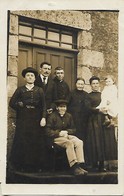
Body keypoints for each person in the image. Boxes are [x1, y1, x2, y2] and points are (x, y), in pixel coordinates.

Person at [9, 67, 46, 172]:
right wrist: (19, 105)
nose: (30, 77)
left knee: (34, 141)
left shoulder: (39, 90)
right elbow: (11, 103)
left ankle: (34, 166)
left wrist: (43, 118)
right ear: (25, 78)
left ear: (35, 78)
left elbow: (44, 105)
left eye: (32, 76)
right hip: (23, 117)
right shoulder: (20, 89)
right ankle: (21, 165)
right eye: (28, 75)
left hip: (36, 118)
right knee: (22, 140)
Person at [46, 99, 88, 176]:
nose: (63, 109)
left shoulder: (69, 116)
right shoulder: (52, 116)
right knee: (69, 143)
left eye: (64, 107)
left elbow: (73, 129)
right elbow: (48, 131)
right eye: (61, 107)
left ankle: (80, 165)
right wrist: (58, 133)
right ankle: (74, 167)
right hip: (56, 138)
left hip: (66, 135)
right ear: (57, 108)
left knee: (79, 142)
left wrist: (67, 132)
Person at [85, 76, 117, 172]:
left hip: (103, 120)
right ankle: (95, 164)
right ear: (90, 85)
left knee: (104, 141)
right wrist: (98, 110)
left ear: (99, 84)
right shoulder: (88, 96)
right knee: (96, 140)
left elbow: (110, 104)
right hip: (94, 119)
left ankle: (102, 164)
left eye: (96, 83)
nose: (95, 85)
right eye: (93, 83)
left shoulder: (103, 94)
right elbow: (87, 108)